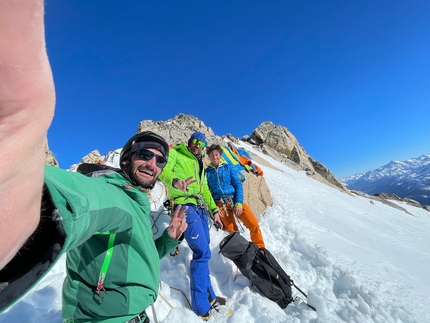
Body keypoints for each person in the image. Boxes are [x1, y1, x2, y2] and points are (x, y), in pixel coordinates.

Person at [0, 2, 187, 322]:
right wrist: (29, 186)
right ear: (126, 159)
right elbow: (83, 198)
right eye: (145, 154)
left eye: (160, 160)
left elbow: (137, 255)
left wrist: (167, 239)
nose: (153, 163)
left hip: (135, 315)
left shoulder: (138, 205)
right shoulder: (114, 194)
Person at [158, 132, 225, 319]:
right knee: (202, 253)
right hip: (184, 205)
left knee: (204, 253)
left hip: (201, 210)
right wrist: (175, 182)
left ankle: (209, 295)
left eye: (201, 143)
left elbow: (204, 190)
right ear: (189, 143)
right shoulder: (177, 154)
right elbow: (163, 170)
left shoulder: (199, 165)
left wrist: (215, 211)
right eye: (195, 141)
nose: (198, 145)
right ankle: (201, 307)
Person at [205, 144, 265, 248]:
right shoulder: (207, 172)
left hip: (234, 200)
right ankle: (243, 252)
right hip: (220, 205)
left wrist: (238, 203)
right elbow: (207, 191)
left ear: (220, 155)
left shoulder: (228, 167)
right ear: (209, 157)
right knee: (232, 232)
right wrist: (214, 209)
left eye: (216, 154)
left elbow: (238, 184)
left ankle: (260, 248)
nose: (214, 157)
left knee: (253, 224)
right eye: (212, 155)